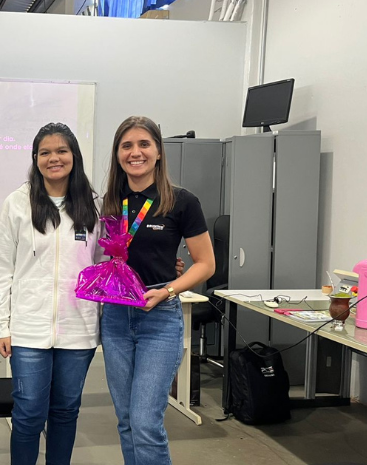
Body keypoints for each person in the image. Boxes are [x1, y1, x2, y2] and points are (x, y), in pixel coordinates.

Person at [100, 116, 215, 465]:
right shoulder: (109, 202)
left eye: (144, 144)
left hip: (159, 317)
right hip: (116, 316)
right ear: (117, 154)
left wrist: (168, 290)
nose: (135, 153)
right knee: (126, 420)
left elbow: (205, 264)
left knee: (146, 422)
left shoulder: (181, 201)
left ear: (159, 151)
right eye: (127, 146)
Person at [0, 122, 101, 465]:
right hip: (28, 329)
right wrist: (2, 324)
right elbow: (1, 268)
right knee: (28, 414)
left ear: (74, 156)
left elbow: (103, 264)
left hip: (78, 329)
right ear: (35, 158)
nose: (54, 158)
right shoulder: (17, 203)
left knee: (66, 411)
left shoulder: (93, 205)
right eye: (45, 152)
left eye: (62, 151)